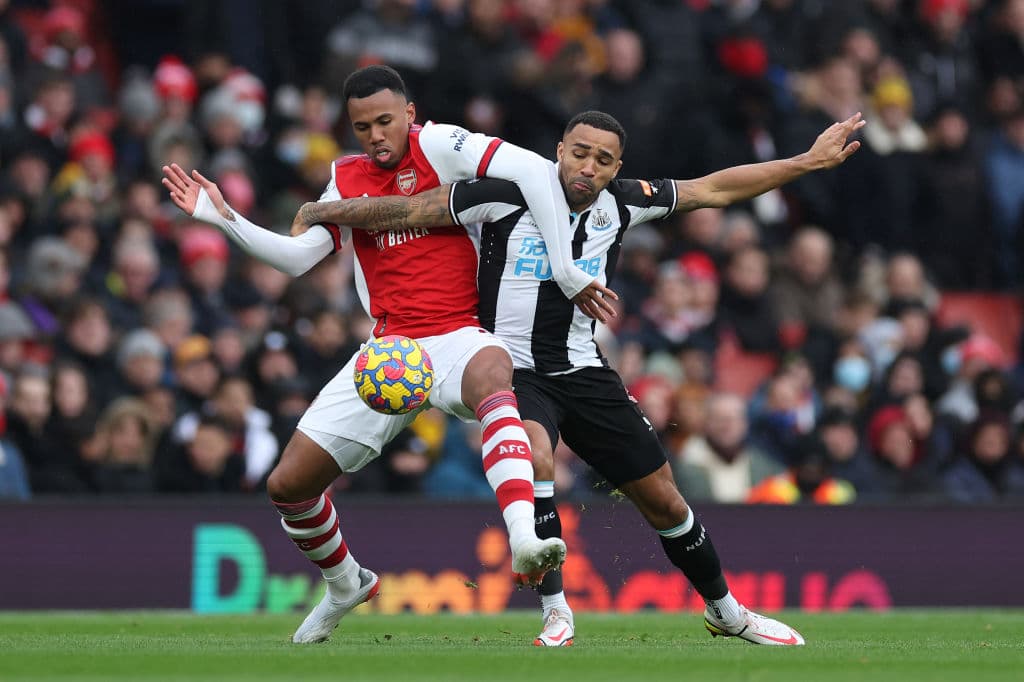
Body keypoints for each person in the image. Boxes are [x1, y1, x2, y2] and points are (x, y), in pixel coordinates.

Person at [287, 109, 864, 646]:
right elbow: (408, 210)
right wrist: (324, 210)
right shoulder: (502, 195)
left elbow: (713, 188)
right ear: (559, 150)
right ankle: (556, 609)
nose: (588, 168)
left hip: (584, 371)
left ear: (617, 168)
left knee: (663, 500)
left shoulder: (625, 203)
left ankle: (725, 609)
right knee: (534, 457)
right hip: (509, 367)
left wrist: (806, 162)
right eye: (579, 153)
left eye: (603, 160)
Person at [161, 65, 615, 644]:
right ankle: (347, 581)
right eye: (361, 127)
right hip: (388, 354)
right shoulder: (344, 177)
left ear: (408, 113)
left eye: (384, 121)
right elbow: (299, 258)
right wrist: (224, 221)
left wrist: (566, 267)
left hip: (457, 335)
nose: (375, 136)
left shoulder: (441, 145)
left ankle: (523, 537)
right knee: (288, 485)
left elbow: (532, 168)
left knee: (493, 371)